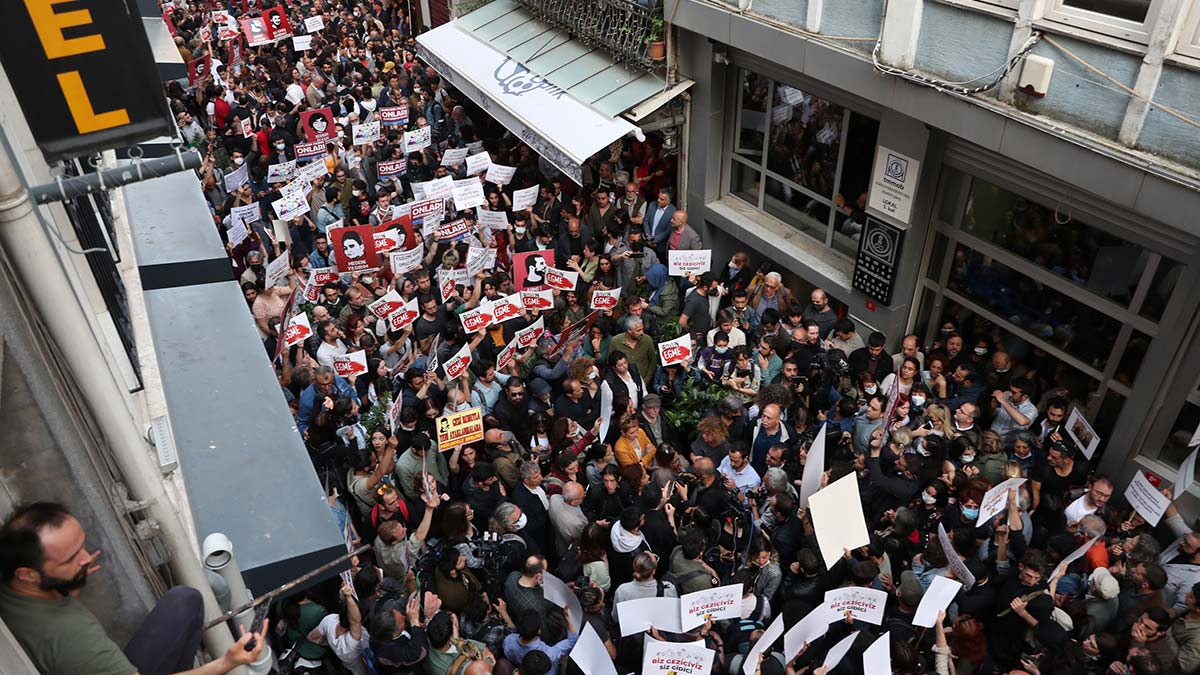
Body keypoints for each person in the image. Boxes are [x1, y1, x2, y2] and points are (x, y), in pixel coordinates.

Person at [0, 502, 269, 675]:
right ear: (28, 574)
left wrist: (69, 584)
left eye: (81, 546)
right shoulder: (78, 642)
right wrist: (228, 662)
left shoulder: (14, 584)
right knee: (185, 601)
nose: (86, 557)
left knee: (184, 602)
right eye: (71, 559)